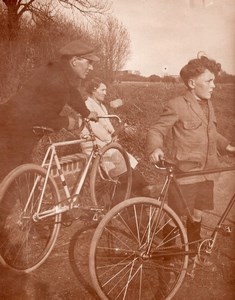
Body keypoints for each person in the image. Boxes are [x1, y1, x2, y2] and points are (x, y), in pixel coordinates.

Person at [146, 55, 235, 250]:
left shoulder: (208, 104)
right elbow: (156, 130)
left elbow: (210, 132)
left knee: (197, 214)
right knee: (174, 216)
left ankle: (193, 252)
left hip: (206, 173)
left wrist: (227, 146)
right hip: (185, 174)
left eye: (214, 81)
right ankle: (166, 256)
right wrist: (155, 148)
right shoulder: (176, 104)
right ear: (193, 83)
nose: (214, 86)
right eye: (209, 81)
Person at [0, 39, 99, 180]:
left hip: (13, 128)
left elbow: (72, 93)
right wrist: (66, 122)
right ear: (75, 61)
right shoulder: (56, 80)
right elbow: (40, 117)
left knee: (25, 182)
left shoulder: (59, 73)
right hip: (9, 132)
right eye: (89, 62)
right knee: (13, 184)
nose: (91, 68)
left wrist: (87, 112)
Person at [81, 77, 154, 199]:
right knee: (125, 173)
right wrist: (112, 137)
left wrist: (116, 132)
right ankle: (138, 195)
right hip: (96, 147)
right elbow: (94, 128)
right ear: (94, 90)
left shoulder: (101, 106)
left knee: (130, 168)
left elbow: (107, 126)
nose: (105, 93)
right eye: (102, 90)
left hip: (107, 146)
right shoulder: (87, 105)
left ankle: (143, 192)